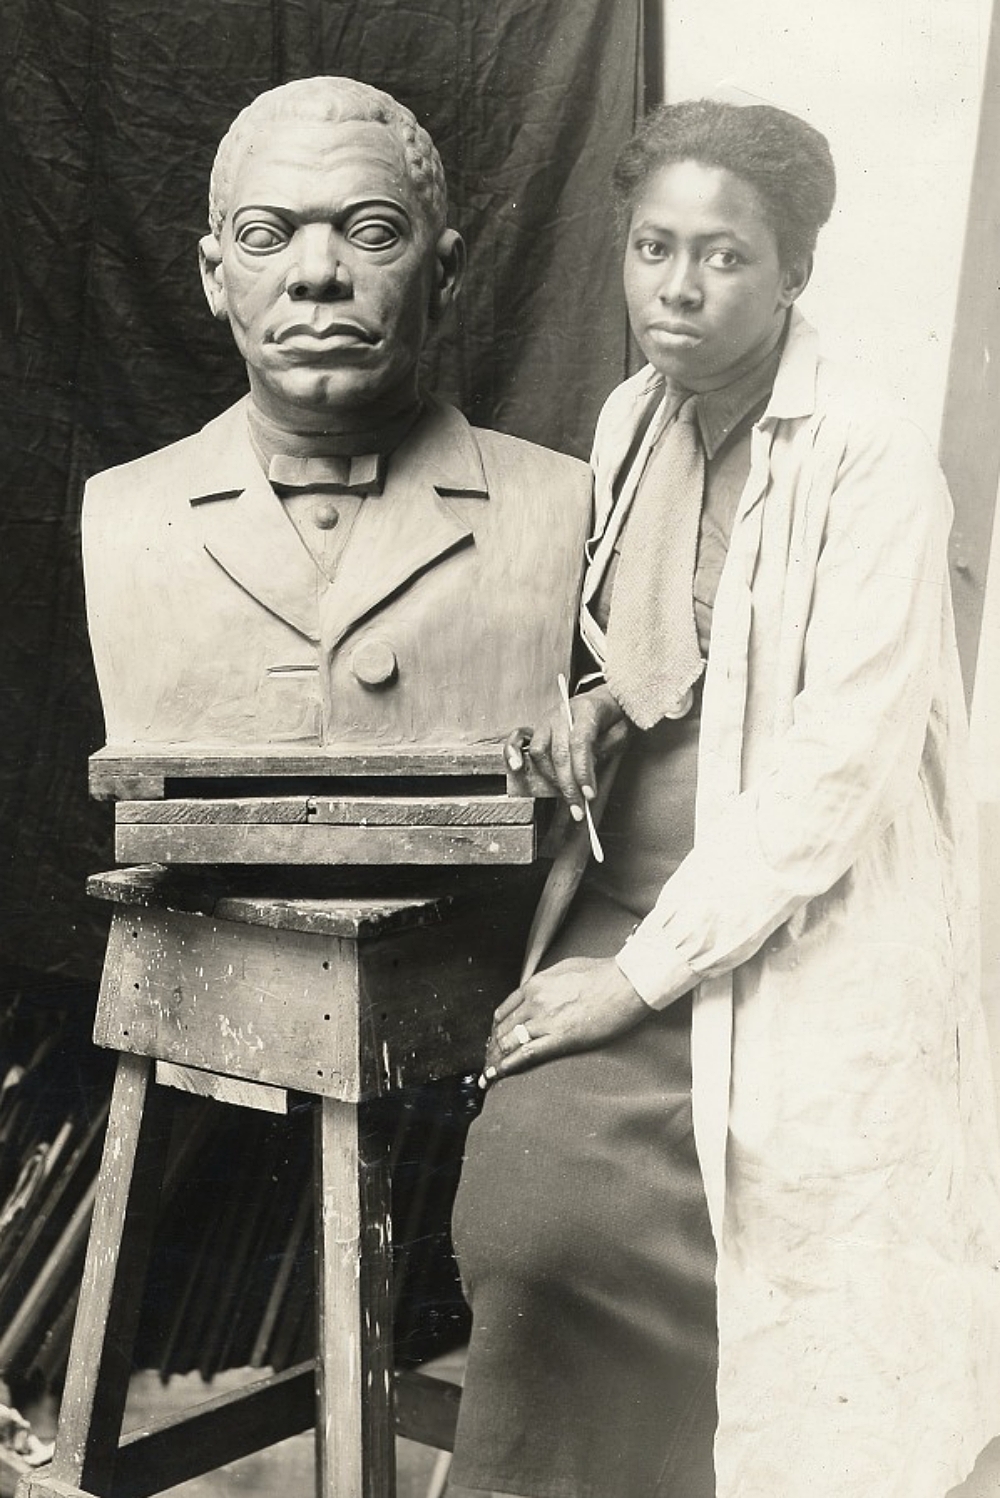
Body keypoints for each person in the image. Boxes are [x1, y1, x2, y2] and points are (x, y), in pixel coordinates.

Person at [449, 99, 1000, 1498]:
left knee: (788, 1286)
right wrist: (589, 703)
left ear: (795, 272)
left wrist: (631, 981)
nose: (677, 291)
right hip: (626, 903)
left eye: (724, 258)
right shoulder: (633, 418)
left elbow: (836, 768)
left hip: (804, 941)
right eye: (653, 249)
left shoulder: (870, 461)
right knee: (526, 1212)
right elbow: (665, 657)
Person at [81, 76, 590, 753]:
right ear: (214, 276)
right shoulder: (126, 513)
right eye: (267, 235)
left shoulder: (558, 498)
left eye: (372, 232)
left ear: (443, 274)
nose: (317, 273)